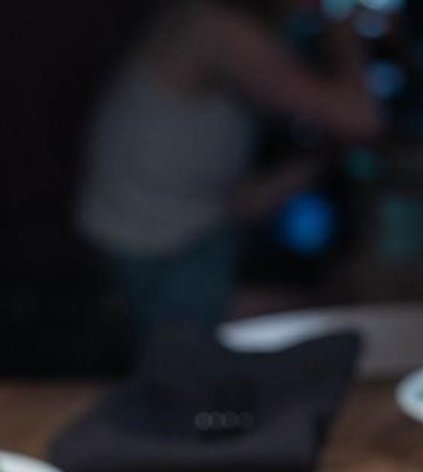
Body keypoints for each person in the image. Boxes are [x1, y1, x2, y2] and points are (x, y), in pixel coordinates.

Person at [77, 0, 382, 348]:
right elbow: (359, 119)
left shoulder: (234, 25)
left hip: (193, 232)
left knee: (344, 300)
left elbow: (242, 202)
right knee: (342, 319)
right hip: (156, 251)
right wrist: (345, 34)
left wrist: (322, 161)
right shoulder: (215, 27)